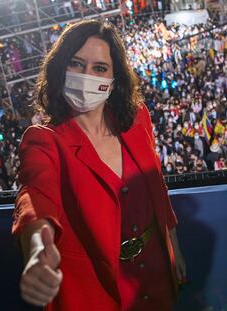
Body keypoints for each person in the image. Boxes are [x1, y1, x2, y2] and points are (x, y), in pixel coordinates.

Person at [12, 20, 186, 310]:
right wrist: (38, 249)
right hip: (94, 289)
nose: (86, 76)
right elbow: (35, 198)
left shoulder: (137, 120)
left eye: (99, 68)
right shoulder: (44, 141)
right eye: (76, 64)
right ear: (60, 69)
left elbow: (157, 187)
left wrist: (173, 248)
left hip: (156, 275)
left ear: (115, 78)